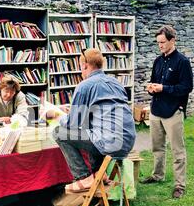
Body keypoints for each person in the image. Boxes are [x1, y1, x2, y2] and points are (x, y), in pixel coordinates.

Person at [52, 48, 136, 193]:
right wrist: (73, 112)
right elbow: (104, 113)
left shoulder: (85, 85)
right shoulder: (116, 82)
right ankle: (98, 173)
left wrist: (57, 115)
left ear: (85, 65)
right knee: (93, 131)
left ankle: (83, 177)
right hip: (127, 141)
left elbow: (73, 124)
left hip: (109, 143)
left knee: (59, 132)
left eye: (80, 67)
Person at [141, 25, 193, 199]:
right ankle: (157, 175)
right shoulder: (157, 60)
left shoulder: (183, 62)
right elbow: (154, 82)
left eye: (163, 42)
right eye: (158, 43)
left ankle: (180, 185)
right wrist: (151, 88)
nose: (160, 45)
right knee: (157, 147)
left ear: (172, 40)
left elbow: (187, 87)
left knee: (178, 150)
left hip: (173, 112)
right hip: (156, 110)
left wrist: (163, 88)